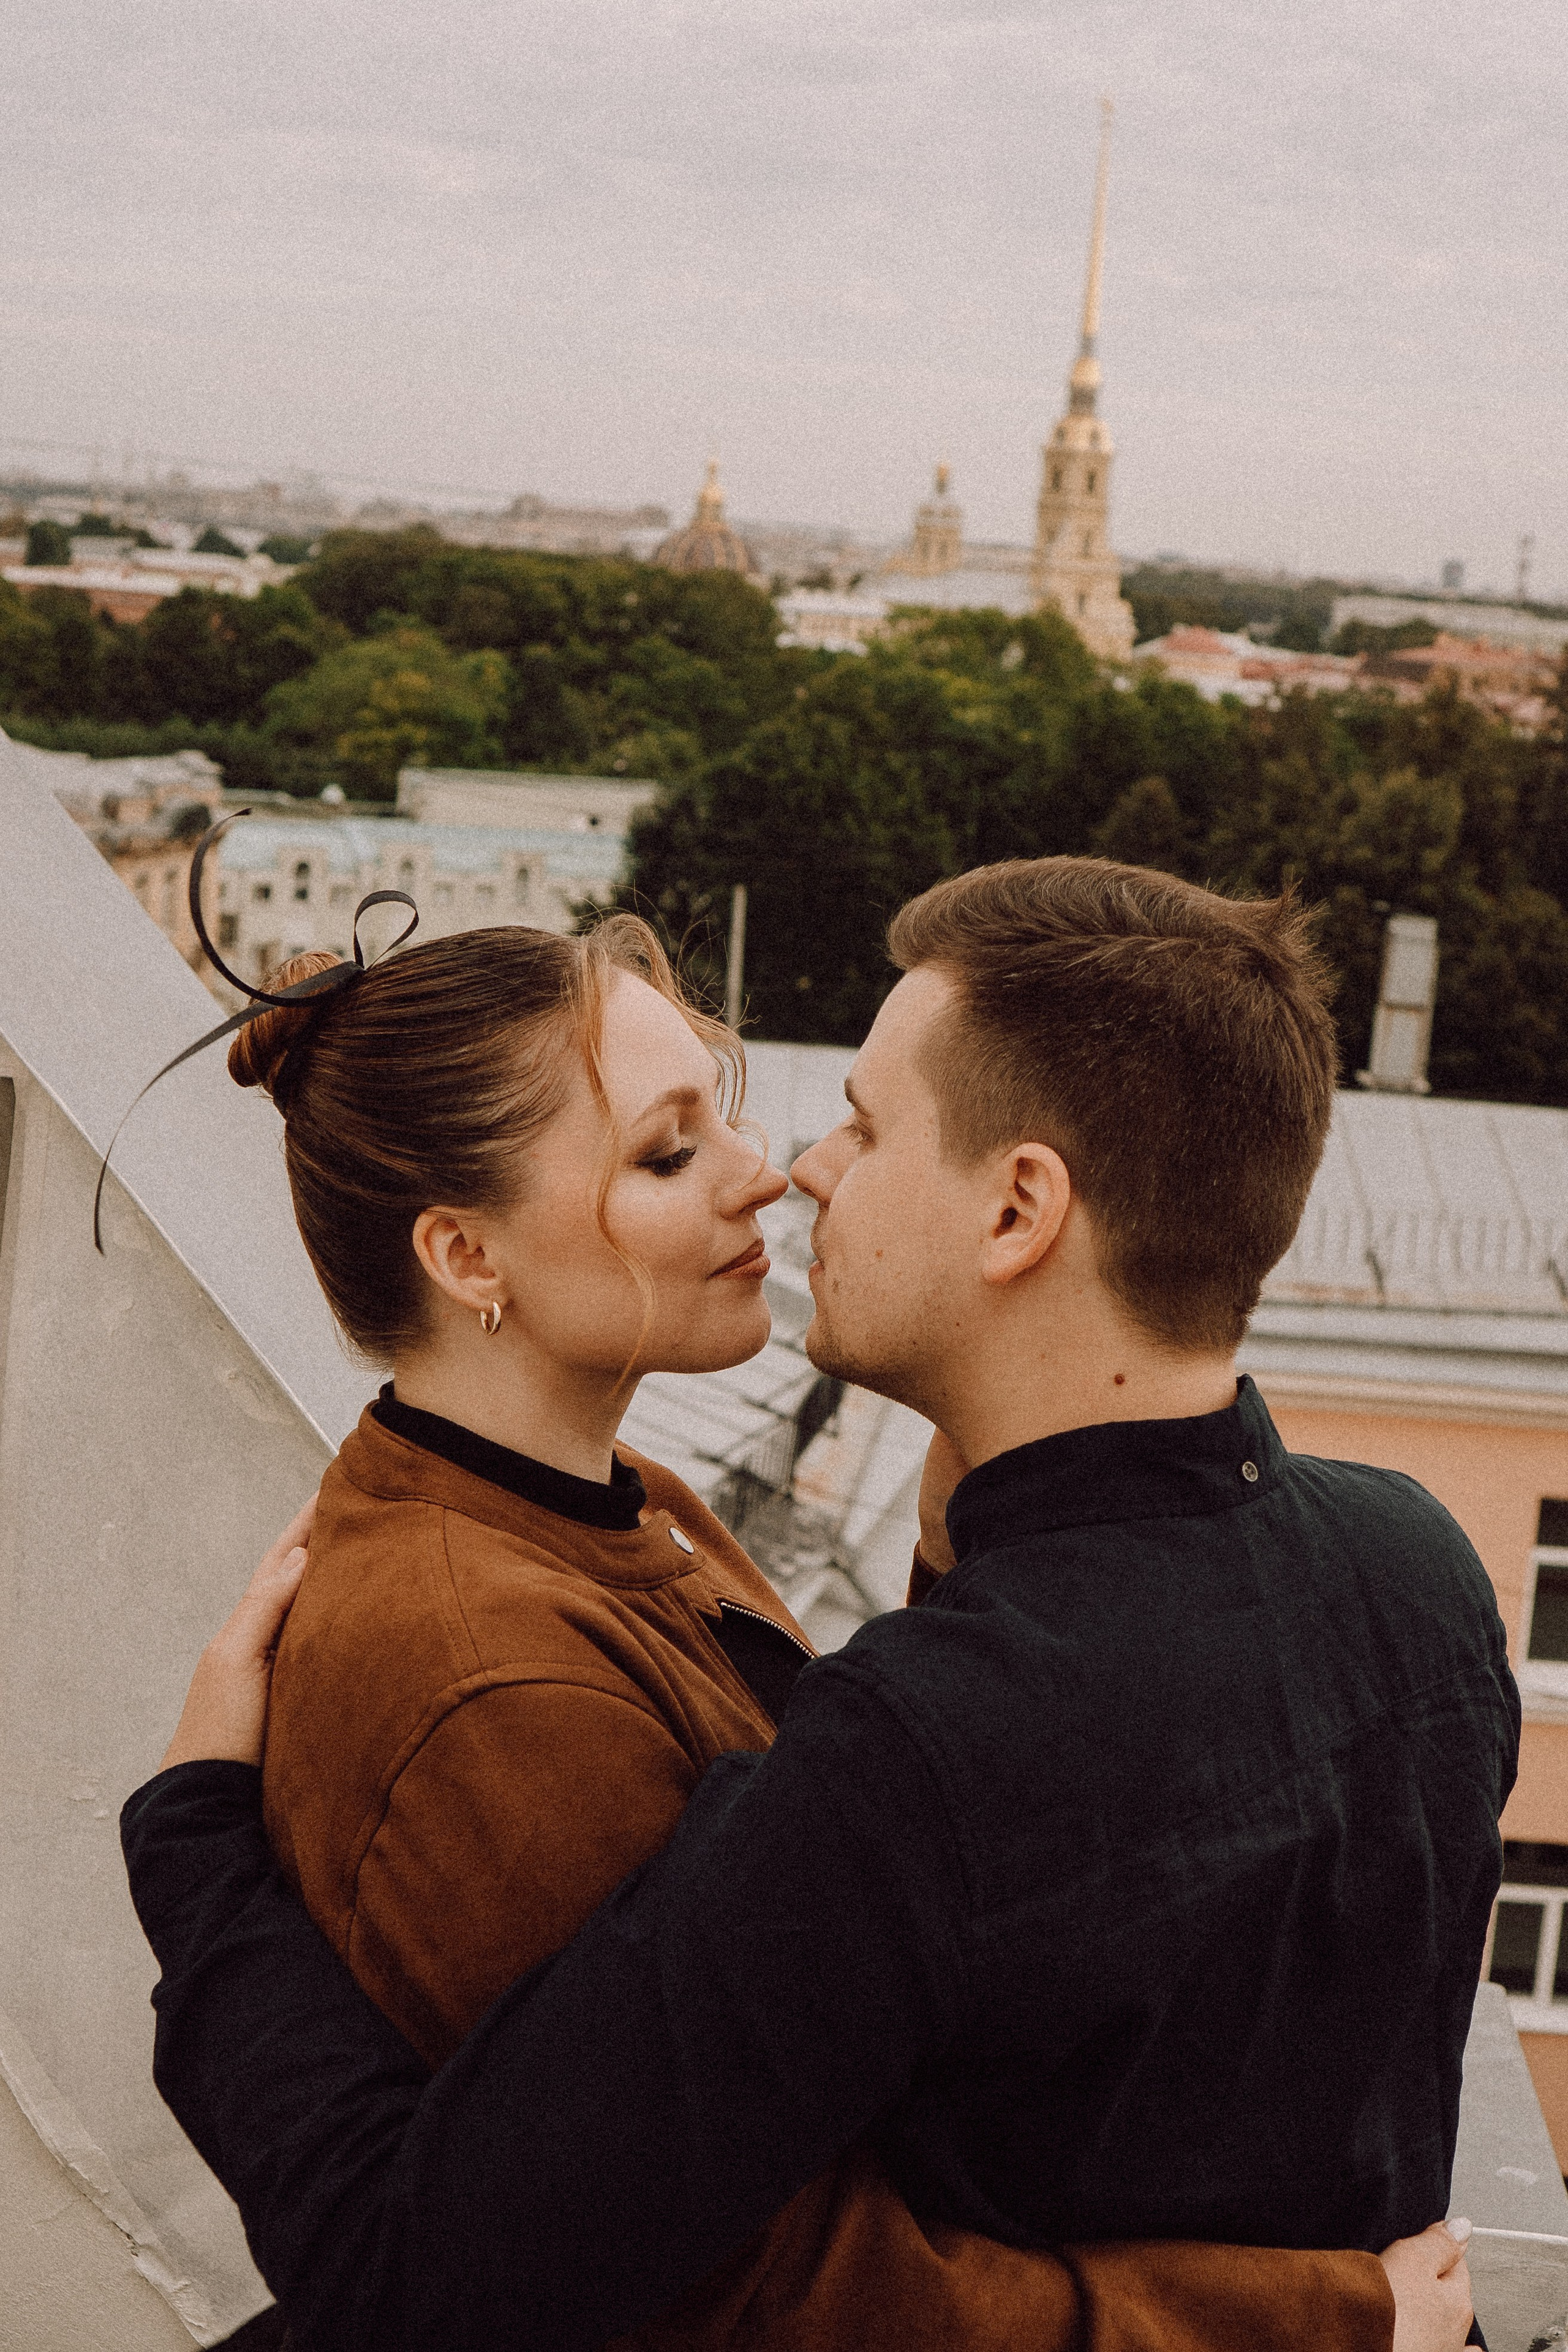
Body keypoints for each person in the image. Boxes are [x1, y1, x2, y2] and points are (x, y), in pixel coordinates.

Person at [121, 859, 1511, 2352]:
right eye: (672, 1150)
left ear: (1018, 1210)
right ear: (464, 1257)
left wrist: (194, 1848)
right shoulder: (1417, 1564)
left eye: (859, 1123)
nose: (793, 1168)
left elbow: (472, 2261)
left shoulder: (860, 1688)